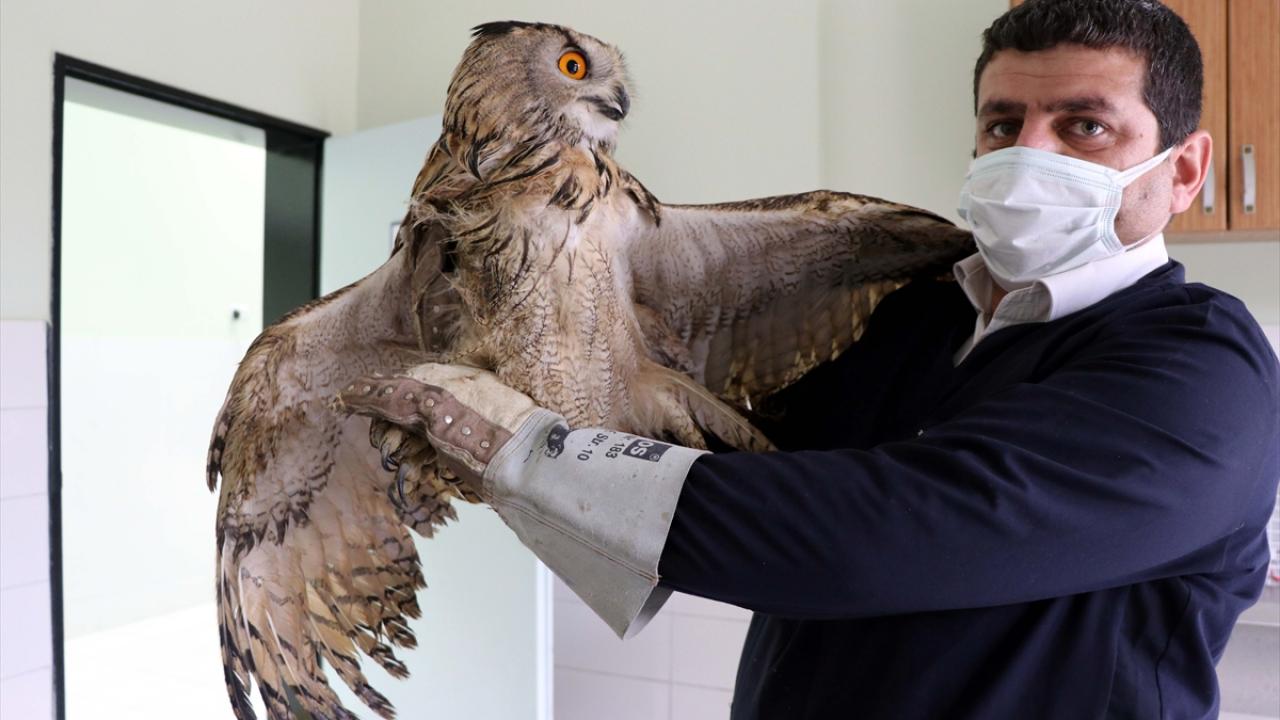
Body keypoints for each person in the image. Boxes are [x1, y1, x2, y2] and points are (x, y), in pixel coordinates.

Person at [344, 1, 1280, 717]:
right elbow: (743, 465)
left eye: (1084, 126)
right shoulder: (916, 314)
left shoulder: (1200, 367)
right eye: (1003, 124)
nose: (1026, 153)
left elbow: (876, 538)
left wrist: (534, 452)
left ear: (1185, 170)